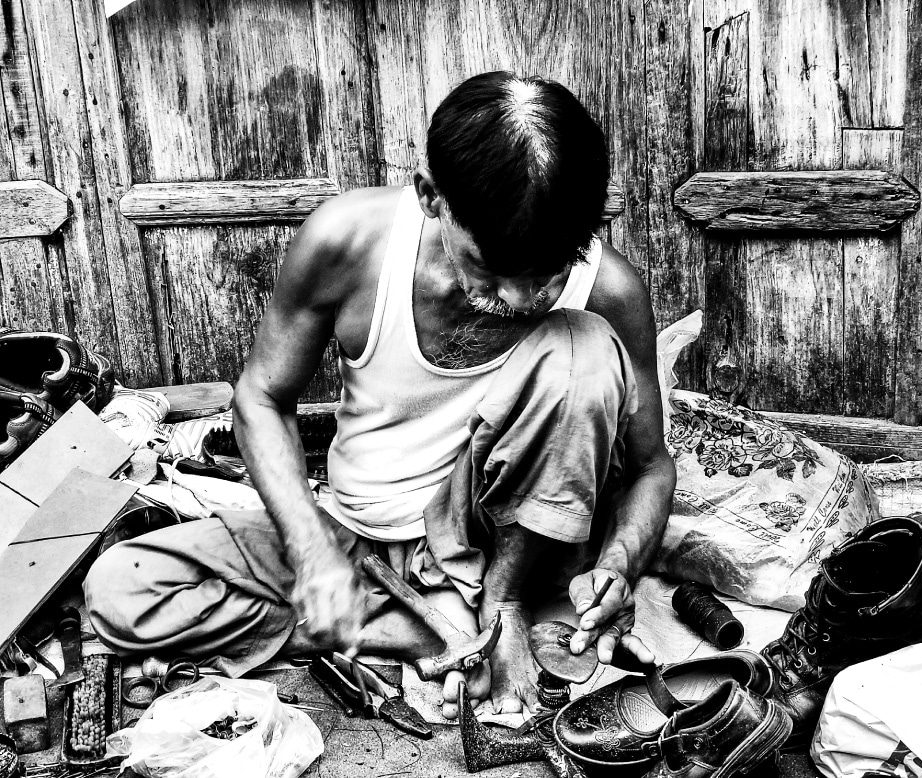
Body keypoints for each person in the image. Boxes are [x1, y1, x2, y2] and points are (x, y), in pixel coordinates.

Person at [84, 71, 676, 719]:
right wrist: (312, 555)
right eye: (493, 268)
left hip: (512, 538)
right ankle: (436, 627)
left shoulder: (609, 289)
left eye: (550, 270)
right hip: (362, 535)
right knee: (123, 589)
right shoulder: (351, 242)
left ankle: (497, 605)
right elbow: (259, 400)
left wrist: (620, 565)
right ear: (430, 196)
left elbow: (650, 466)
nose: (522, 298)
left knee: (582, 347)